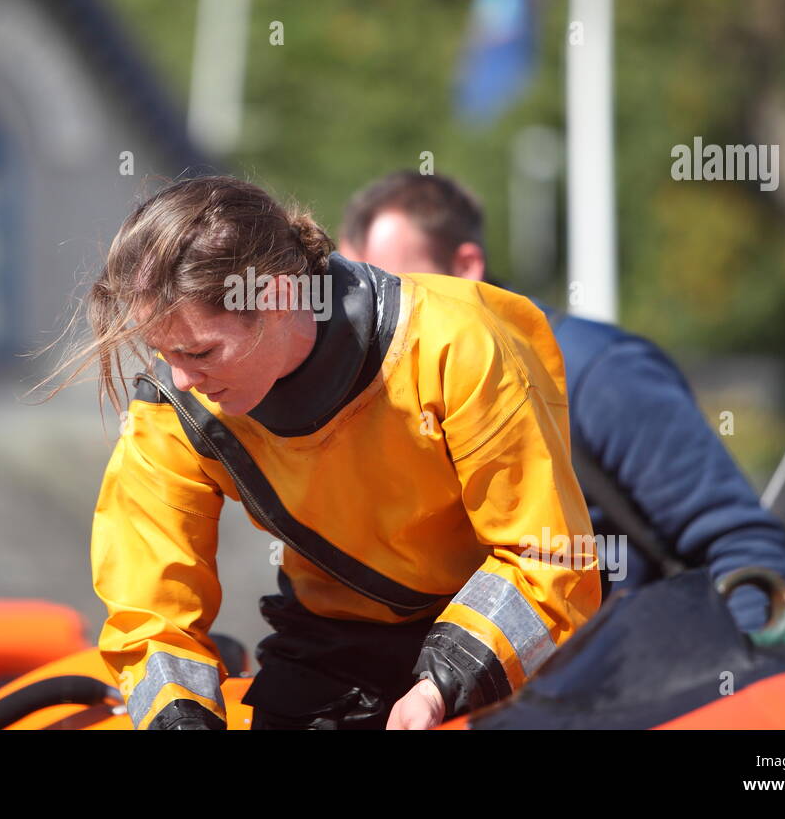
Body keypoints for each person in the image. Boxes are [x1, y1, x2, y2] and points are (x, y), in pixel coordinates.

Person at [42, 175, 601, 730]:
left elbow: (547, 558)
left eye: (201, 351)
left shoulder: (455, 346)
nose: (182, 379)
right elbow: (149, 609)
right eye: (164, 353)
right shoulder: (174, 407)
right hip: (329, 649)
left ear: (281, 295)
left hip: (490, 644)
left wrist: (438, 687)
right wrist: (177, 719)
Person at [340, 171, 785, 632]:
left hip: (628, 684)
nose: (376, 317)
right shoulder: (381, 405)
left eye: (396, 290)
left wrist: (734, 676)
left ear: (465, 266)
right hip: (471, 693)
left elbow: (740, 546)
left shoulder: (601, 372)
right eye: (361, 297)